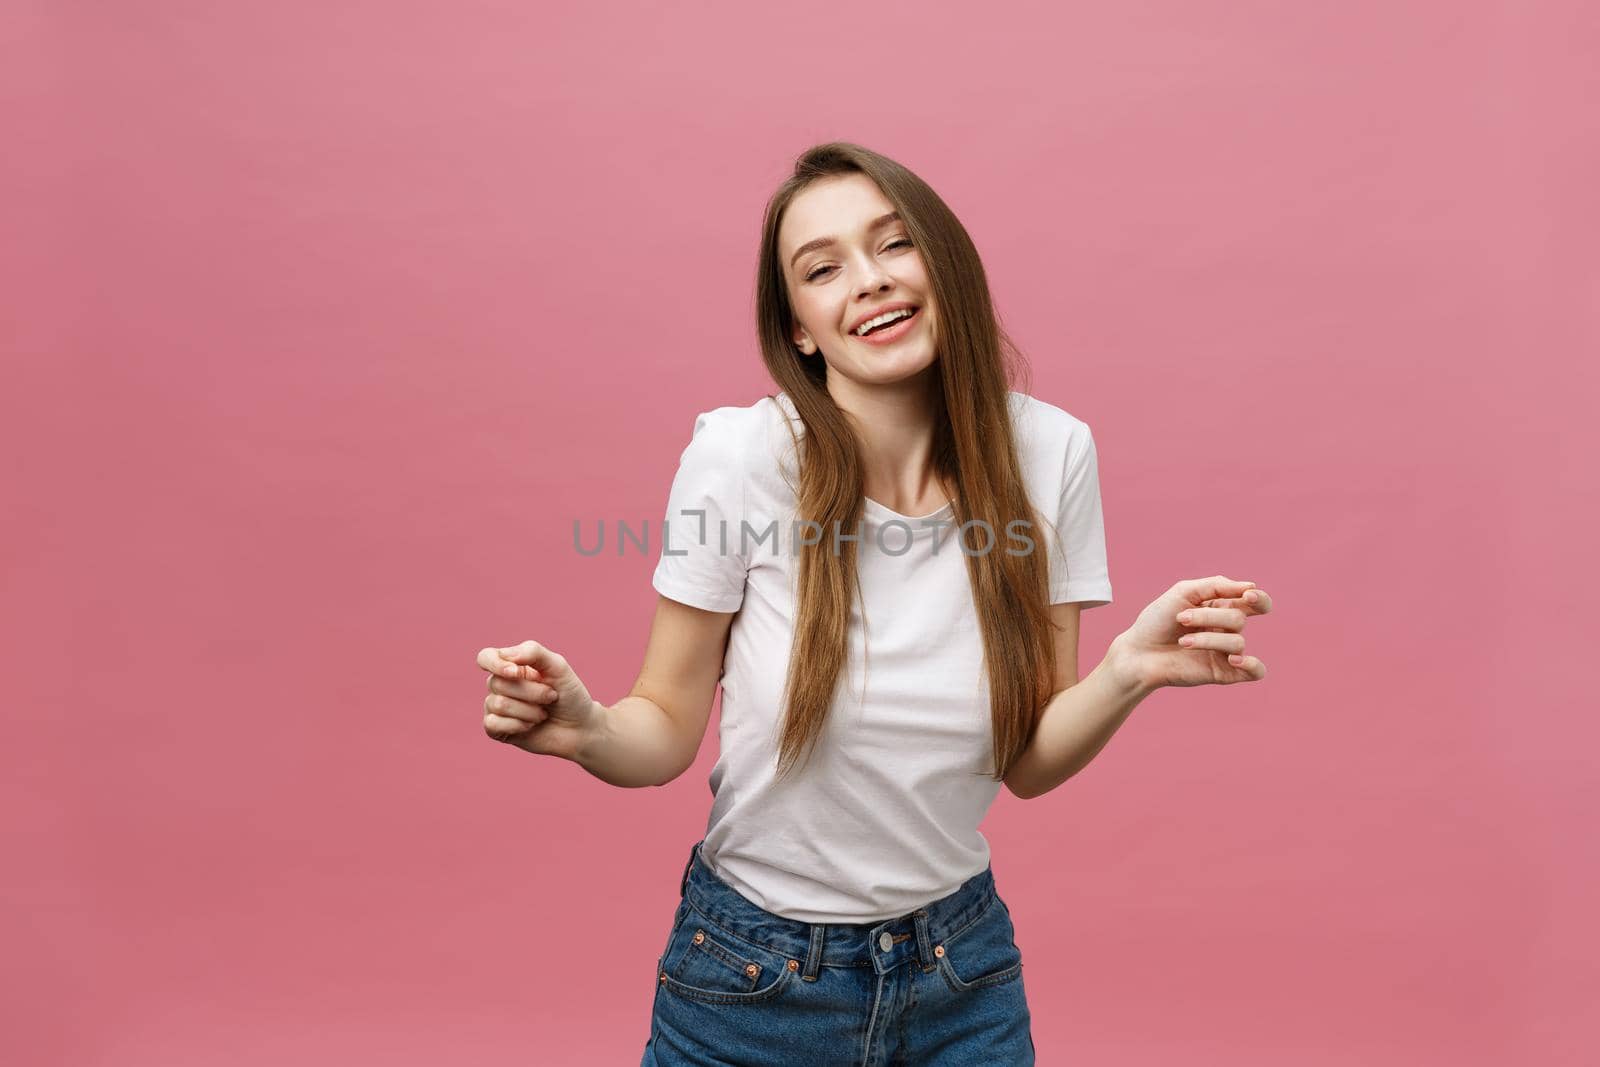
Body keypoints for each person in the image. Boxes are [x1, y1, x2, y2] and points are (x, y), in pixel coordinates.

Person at [475, 142, 1273, 1066]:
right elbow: (660, 727)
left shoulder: (1051, 453)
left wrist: (1129, 668)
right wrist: (584, 728)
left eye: (893, 245)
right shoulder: (742, 459)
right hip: (751, 978)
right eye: (822, 268)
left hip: (961, 973)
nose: (869, 281)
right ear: (803, 328)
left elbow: (1029, 758)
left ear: (942, 260)